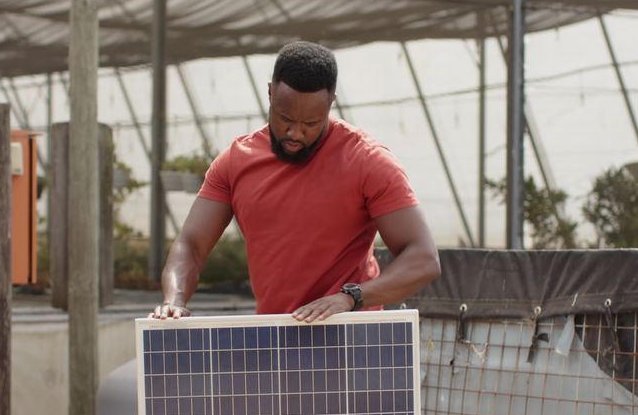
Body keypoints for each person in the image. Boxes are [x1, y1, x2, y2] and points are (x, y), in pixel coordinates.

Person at [152, 41, 439, 322]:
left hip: (350, 332)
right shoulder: (236, 162)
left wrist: (350, 297)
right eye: (285, 118)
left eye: (311, 123)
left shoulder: (367, 161)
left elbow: (423, 258)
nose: (295, 133)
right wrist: (174, 301)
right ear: (270, 93)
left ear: (330, 103)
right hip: (276, 332)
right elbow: (191, 244)